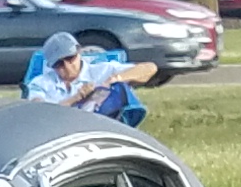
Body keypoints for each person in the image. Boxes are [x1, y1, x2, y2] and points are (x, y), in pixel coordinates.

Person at [24, 30, 157, 126]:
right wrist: (76, 98)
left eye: (70, 58)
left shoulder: (103, 70)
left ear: (79, 52)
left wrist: (116, 79)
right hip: (59, 133)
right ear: (51, 66)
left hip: (101, 129)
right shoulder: (40, 83)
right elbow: (40, 114)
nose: (67, 66)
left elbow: (150, 68)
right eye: (59, 64)